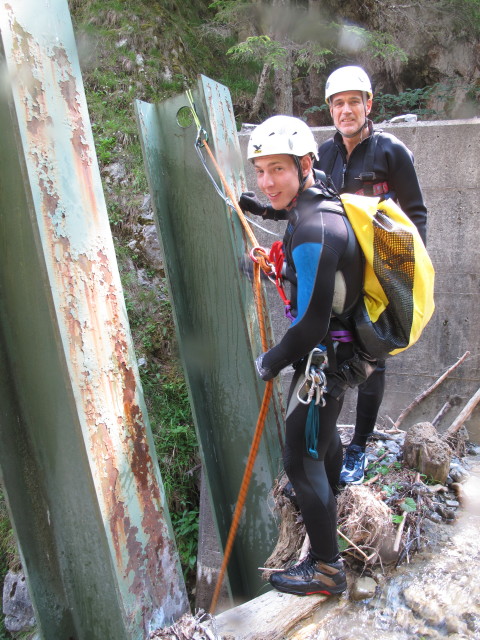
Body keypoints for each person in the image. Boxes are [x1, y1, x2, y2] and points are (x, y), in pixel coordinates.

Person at [244, 115, 377, 596]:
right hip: (344, 353)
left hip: (326, 360)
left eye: (276, 170)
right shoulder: (317, 196)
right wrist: (265, 210)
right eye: (260, 170)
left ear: (303, 164)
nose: (266, 181)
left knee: (300, 457)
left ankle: (325, 568)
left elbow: (312, 325)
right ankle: (336, 492)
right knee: (322, 446)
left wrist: (271, 360)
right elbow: (294, 216)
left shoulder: (316, 231)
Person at [314, 65, 428, 485]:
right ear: (331, 109)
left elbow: (415, 215)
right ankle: (327, 446)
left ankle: (358, 449)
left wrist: (408, 277)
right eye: (338, 103)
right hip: (338, 275)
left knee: (373, 361)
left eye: (353, 102)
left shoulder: (391, 152)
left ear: (368, 105)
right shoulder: (323, 156)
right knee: (332, 355)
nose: (346, 110)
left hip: (380, 276)